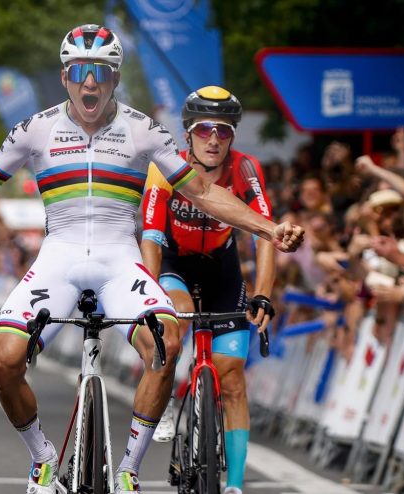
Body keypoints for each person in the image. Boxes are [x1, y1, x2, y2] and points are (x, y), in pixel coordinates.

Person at [0, 24, 304, 494]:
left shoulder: (143, 130)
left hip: (120, 259)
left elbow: (202, 191)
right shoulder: (36, 128)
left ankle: (128, 472)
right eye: (80, 72)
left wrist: (269, 228)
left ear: (115, 78)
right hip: (57, 258)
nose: (90, 83)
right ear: (65, 78)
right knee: (2, 360)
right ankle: (42, 459)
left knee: (167, 345)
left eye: (101, 72)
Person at [139, 86, 274, 494]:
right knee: (175, 316)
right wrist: (148, 297)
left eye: (224, 131)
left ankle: (233, 484)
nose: (214, 139)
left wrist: (264, 294)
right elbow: (150, 235)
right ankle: (169, 387)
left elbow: (265, 233)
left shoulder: (246, 169)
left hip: (222, 269)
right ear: (188, 135)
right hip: (175, 262)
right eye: (204, 130)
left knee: (232, 378)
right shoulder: (164, 167)